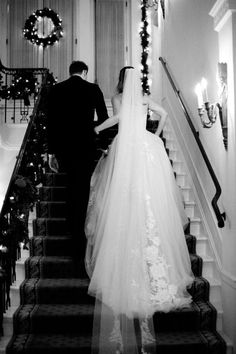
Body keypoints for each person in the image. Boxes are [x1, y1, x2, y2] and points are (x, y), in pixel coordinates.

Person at [84, 68, 194, 353]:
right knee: (149, 194)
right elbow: (165, 116)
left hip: (125, 147)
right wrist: (154, 134)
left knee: (124, 190)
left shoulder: (118, 96)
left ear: (121, 80)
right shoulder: (144, 98)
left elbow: (118, 119)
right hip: (146, 145)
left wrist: (97, 128)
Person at [46, 60, 109, 265]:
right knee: (83, 188)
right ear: (84, 72)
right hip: (85, 146)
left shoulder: (56, 90)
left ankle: (70, 231)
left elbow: (51, 122)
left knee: (69, 187)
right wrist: (98, 137)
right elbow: (104, 117)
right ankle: (80, 238)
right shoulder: (92, 89)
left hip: (64, 148)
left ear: (70, 72)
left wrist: (51, 152)